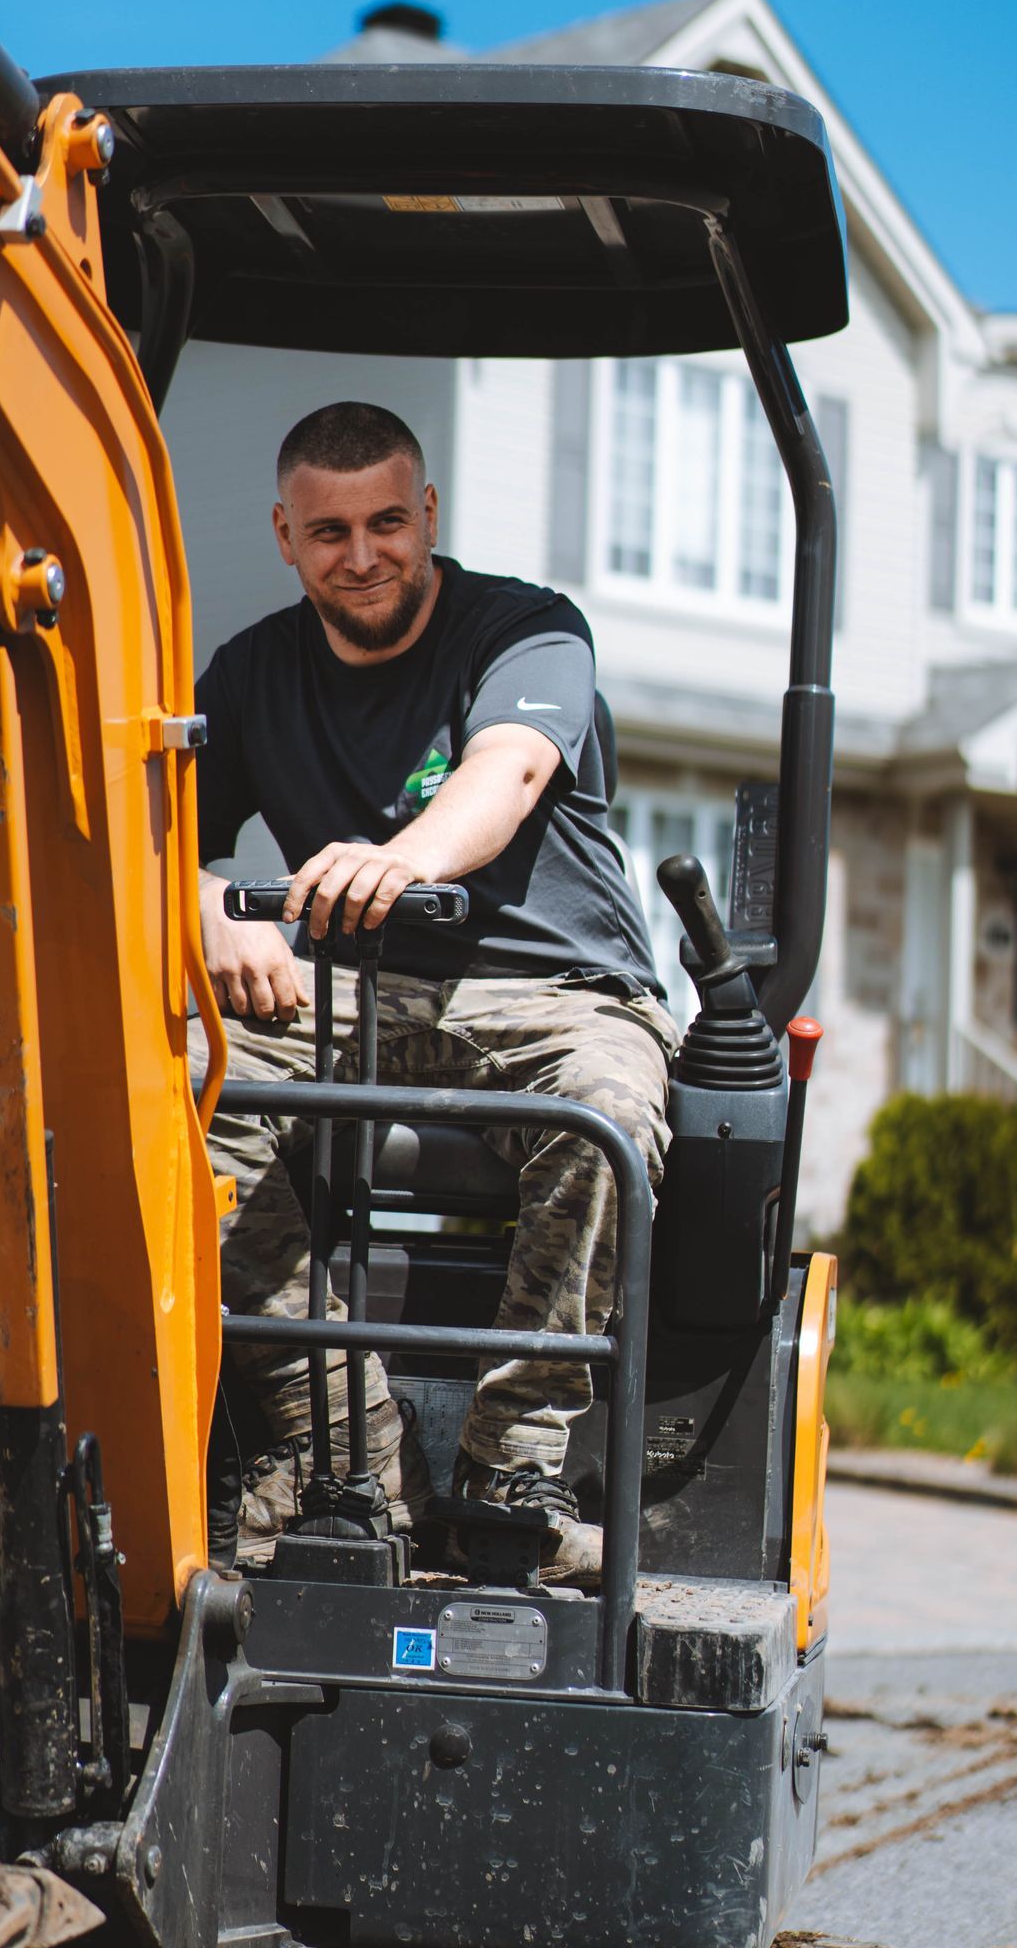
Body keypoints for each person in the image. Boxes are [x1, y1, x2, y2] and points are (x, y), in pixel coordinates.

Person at [189, 400, 677, 1588]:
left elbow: (501, 775)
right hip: (361, 996)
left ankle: (515, 1475)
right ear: (285, 535)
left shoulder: (528, 632)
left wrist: (402, 856)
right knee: (181, 1094)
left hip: (552, 995)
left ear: (430, 517)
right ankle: (344, 1453)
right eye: (330, 531)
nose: (363, 556)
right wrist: (206, 913)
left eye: (388, 523)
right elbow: (163, 845)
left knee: (609, 1108)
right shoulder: (254, 671)